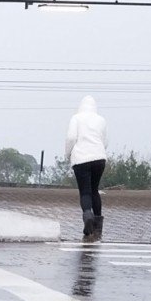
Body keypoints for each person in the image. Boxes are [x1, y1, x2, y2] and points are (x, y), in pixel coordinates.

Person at [65, 95, 108, 240]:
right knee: (95, 190)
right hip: (99, 158)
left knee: (85, 192)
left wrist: (68, 154)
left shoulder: (76, 118)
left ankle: (87, 215)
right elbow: (105, 141)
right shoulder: (101, 120)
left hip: (81, 158)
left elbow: (71, 138)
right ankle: (97, 229)